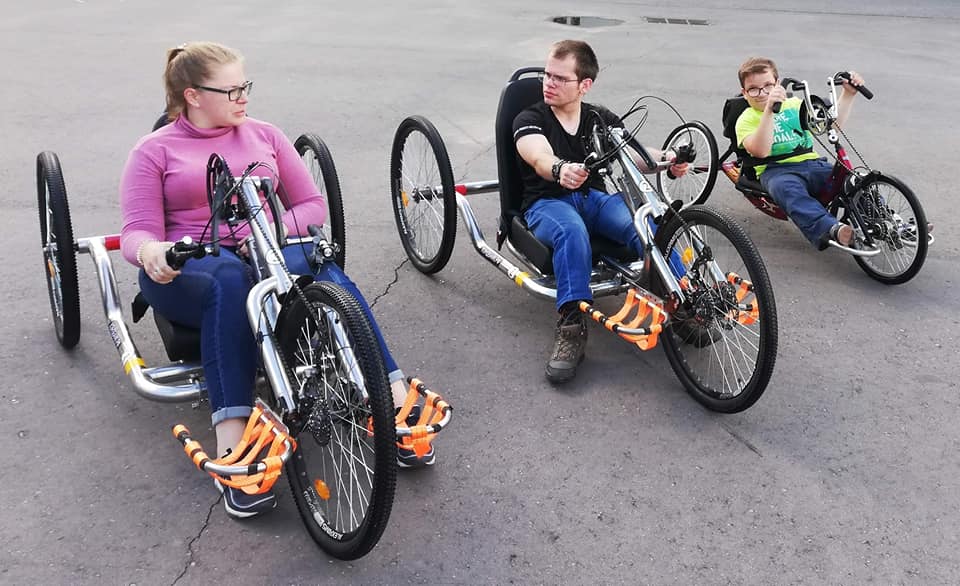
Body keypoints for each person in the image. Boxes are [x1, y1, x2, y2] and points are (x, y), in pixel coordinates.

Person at [120, 42, 434, 519]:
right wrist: (153, 252)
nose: (244, 96)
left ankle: (387, 396)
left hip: (268, 250)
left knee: (320, 260)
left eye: (245, 85)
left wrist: (272, 231)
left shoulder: (265, 135)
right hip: (189, 268)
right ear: (193, 95)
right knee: (227, 279)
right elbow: (136, 231)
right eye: (231, 89)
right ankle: (235, 443)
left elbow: (311, 207)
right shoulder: (154, 151)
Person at [513, 40, 690, 385]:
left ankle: (686, 299)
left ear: (584, 85)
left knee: (647, 223)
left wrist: (668, 159)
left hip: (594, 198)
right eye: (547, 74)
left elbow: (634, 154)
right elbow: (536, 155)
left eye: (559, 78)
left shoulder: (599, 119)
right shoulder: (530, 117)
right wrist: (559, 168)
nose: (548, 82)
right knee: (571, 232)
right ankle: (571, 324)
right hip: (547, 203)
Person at [735, 56, 865, 248]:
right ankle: (831, 229)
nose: (762, 93)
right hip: (775, 170)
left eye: (769, 86)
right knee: (788, 191)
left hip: (812, 163)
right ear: (744, 93)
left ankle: (890, 221)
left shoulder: (795, 105)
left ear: (778, 85)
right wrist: (769, 111)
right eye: (753, 89)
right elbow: (760, 151)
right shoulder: (746, 119)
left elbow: (831, 126)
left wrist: (848, 94)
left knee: (855, 181)